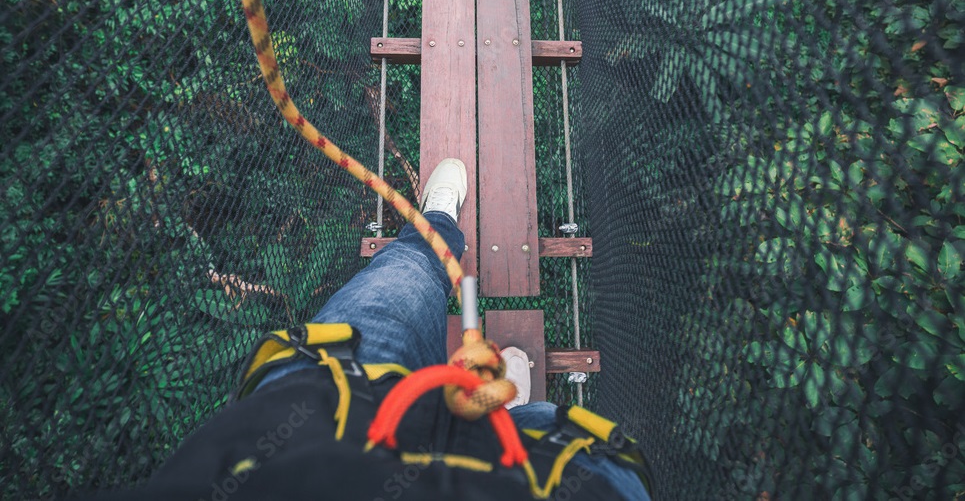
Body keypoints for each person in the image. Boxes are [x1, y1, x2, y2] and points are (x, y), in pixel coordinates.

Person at [93, 160, 652, 500]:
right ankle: (500, 420)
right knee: (531, 430)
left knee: (408, 268)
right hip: (549, 485)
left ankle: (439, 224)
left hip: (328, 405)